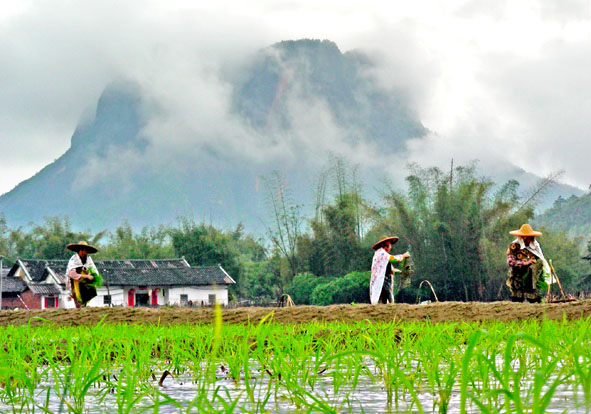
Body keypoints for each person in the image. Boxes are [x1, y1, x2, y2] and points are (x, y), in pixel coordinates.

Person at [506, 224, 550, 303]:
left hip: (532, 277)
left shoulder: (535, 245)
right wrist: (524, 263)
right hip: (518, 275)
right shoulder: (514, 246)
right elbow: (510, 262)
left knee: (533, 298)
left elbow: (540, 259)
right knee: (517, 299)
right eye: (527, 237)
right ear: (523, 237)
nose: (529, 240)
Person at [370, 236, 411, 304]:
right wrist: (403, 256)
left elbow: (386, 267)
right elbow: (394, 259)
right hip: (383, 279)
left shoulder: (378, 254)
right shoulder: (382, 254)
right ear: (386, 246)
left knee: (382, 295)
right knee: (388, 292)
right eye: (389, 245)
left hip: (379, 279)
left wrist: (399, 271)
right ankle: (391, 304)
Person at [65, 241, 102, 307]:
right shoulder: (73, 259)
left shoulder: (88, 259)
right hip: (75, 280)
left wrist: (94, 278)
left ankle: (84, 304)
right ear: (78, 251)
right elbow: (71, 274)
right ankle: (79, 305)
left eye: (85, 251)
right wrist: (85, 276)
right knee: (77, 296)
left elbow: (93, 269)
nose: (84, 253)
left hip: (84, 281)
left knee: (87, 293)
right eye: (82, 250)